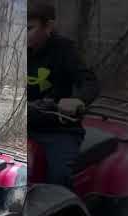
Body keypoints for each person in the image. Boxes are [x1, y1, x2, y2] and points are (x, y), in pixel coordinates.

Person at [27, 0, 100, 189]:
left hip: (57, 128)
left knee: (59, 175)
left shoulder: (64, 50)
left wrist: (78, 100)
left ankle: (61, 214)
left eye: (29, 28)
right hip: (25, 123)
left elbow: (90, 82)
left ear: (48, 26)